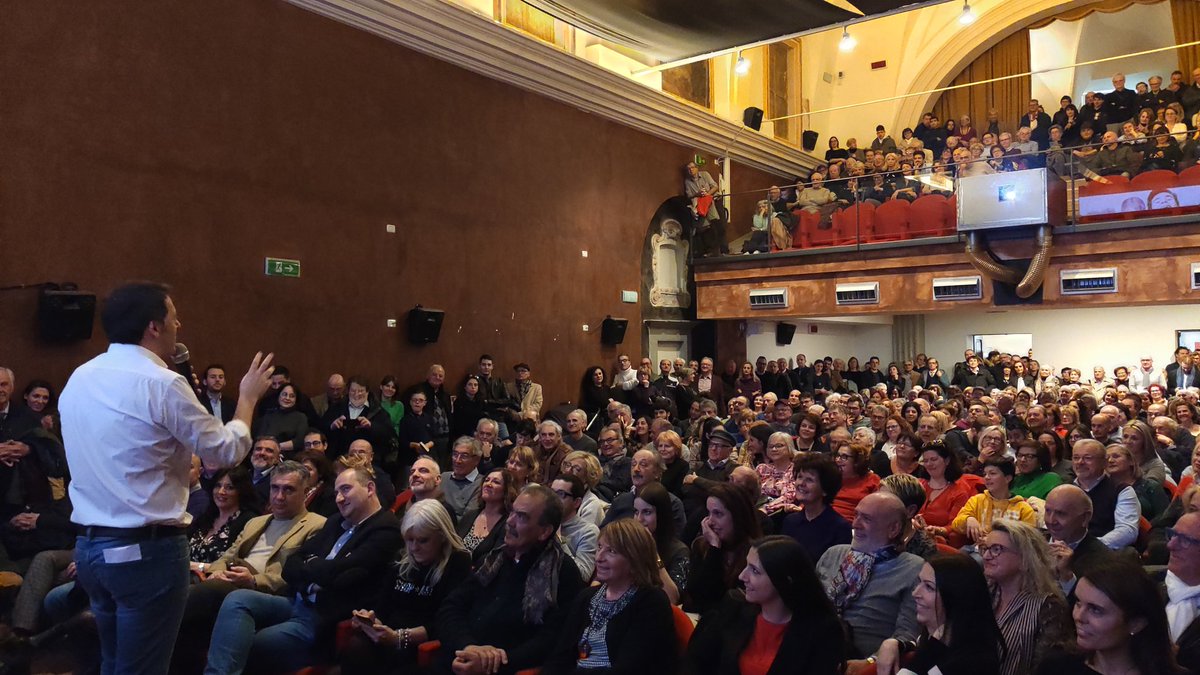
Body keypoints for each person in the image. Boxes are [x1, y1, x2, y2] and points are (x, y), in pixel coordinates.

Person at [59, 281, 275, 675]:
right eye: (174, 317)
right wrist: (246, 399)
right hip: (146, 553)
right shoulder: (161, 383)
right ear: (154, 327)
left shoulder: (79, 377)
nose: (180, 324)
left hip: (91, 548)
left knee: (111, 662)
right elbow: (224, 451)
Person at [203, 466, 405, 674]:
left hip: (323, 618)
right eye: (336, 492)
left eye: (345, 489)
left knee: (250, 642)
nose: (339, 498)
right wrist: (317, 568)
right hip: (295, 600)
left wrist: (311, 565)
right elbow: (291, 565)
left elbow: (341, 575)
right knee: (237, 600)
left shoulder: (386, 529)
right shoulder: (337, 521)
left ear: (370, 488)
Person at [172, 461, 326, 674]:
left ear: (305, 491)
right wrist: (217, 570)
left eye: (288, 489)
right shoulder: (256, 522)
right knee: (189, 610)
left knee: (207, 592)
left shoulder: (316, 525)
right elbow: (227, 557)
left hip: (271, 594)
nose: (279, 496)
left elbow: (299, 575)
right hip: (230, 581)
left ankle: (148, 629)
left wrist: (253, 580)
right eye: (275, 488)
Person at [436, 485, 586, 674]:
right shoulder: (493, 559)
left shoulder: (562, 573)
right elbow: (451, 606)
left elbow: (551, 640)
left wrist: (492, 663)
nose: (510, 522)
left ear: (544, 531)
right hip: (460, 658)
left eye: (521, 517)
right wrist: (467, 646)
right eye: (512, 512)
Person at [340, 499, 472, 672]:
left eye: (423, 541)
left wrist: (400, 637)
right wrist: (371, 620)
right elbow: (383, 604)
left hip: (420, 641)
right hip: (389, 634)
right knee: (355, 646)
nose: (414, 548)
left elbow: (446, 621)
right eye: (409, 540)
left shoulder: (457, 563)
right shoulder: (402, 559)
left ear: (441, 536)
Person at [687, 536, 846, 675]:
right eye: (746, 565)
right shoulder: (734, 608)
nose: (743, 576)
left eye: (755, 571)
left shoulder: (822, 632)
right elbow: (695, 662)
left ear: (784, 580)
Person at [541, 519, 676, 674]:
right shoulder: (587, 597)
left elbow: (630, 668)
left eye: (611, 551)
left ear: (634, 559)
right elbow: (560, 657)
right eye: (599, 547)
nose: (599, 557)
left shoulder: (651, 602)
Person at [816, 492, 923, 664]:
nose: (855, 524)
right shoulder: (833, 554)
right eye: (856, 515)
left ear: (893, 529)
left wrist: (870, 664)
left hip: (860, 662)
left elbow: (906, 636)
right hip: (813, 648)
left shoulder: (914, 569)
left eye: (866, 519)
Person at [1036, 559, 1186, 675]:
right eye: (1078, 603)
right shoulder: (1056, 666)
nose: (1079, 617)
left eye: (1095, 610)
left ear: (1136, 623)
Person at [875, 554, 1003, 675]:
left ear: (955, 598)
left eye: (929, 587)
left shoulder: (970, 663)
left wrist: (932, 647)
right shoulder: (942, 638)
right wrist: (896, 644)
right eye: (919, 582)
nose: (916, 593)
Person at [982, 520, 1072, 675]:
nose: (986, 556)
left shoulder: (1049, 607)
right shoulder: (984, 593)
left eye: (996, 549)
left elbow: (1045, 668)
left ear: (1025, 559)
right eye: (984, 548)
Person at [683, 481, 762, 615]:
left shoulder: (755, 552)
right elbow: (697, 596)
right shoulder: (701, 546)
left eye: (718, 514)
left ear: (737, 516)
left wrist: (715, 548)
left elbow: (730, 603)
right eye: (709, 513)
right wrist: (714, 548)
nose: (710, 522)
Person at [779, 452, 851, 564]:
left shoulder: (840, 528)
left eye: (809, 480)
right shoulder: (790, 521)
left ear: (825, 489)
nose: (801, 483)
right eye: (799, 477)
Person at [951, 457, 1036, 546]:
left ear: (1007, 478)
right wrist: (968, 519)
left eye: (992, 473)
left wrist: (995, 540)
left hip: (1007, 553)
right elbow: (956, 524)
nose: (987, 477)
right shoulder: (977, 500)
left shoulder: (1023, 508)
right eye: (985, 474)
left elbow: (1028, 539)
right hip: (978, 548)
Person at [187, 467, 258, 569]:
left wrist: (196, 567)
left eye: (229, 487)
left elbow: (236, 565)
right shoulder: (207, 516)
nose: (221, 491)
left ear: (241, 491)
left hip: (217, 581)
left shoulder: (248, 521)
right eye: (218, 486)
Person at [632, 482, 689, 604]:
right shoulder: (630, 543)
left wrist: (653, 553)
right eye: (636, 512)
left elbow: (673, 598)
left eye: (647, 512)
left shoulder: (679, 551)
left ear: (661, 514)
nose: (639, 519)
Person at [917, 441, 976, 548]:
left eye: (934, 459)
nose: (929, 464)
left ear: (947, 461)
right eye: (925, 461)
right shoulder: (917, 484)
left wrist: (937, 530)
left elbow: (954, 525)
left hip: (939, 542)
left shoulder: (959, 492)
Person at [456, 468, 517, 563]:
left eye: (496, 482)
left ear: (506, 490)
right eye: (487, 480)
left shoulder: (507, 523)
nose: (488, 484)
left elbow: (495, 559)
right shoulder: (471, 514)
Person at [550, 474, 599, 579]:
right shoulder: (541, 522)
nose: (552, 499)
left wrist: (559, 540)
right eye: (551, 492)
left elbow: (583, 575)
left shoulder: (588, 532)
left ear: (577, 502)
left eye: (560, 494)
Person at [253, 384, 310, 455]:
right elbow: (259, 439)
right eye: (284, 394)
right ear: (279, 396)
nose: (287, 398)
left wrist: (276, 447)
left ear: (296, 399)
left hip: (290, 457)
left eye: (292, 396)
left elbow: (299, 442)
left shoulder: (301, 417)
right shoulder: (268, 416)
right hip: (267, 454)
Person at [831, 442, 880, 521]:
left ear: (857, 461)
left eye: (844, 457)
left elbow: (877, 511)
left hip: (855, 526)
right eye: (837, 455)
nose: (838, 460)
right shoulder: (829, 477)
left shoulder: (872, 480)